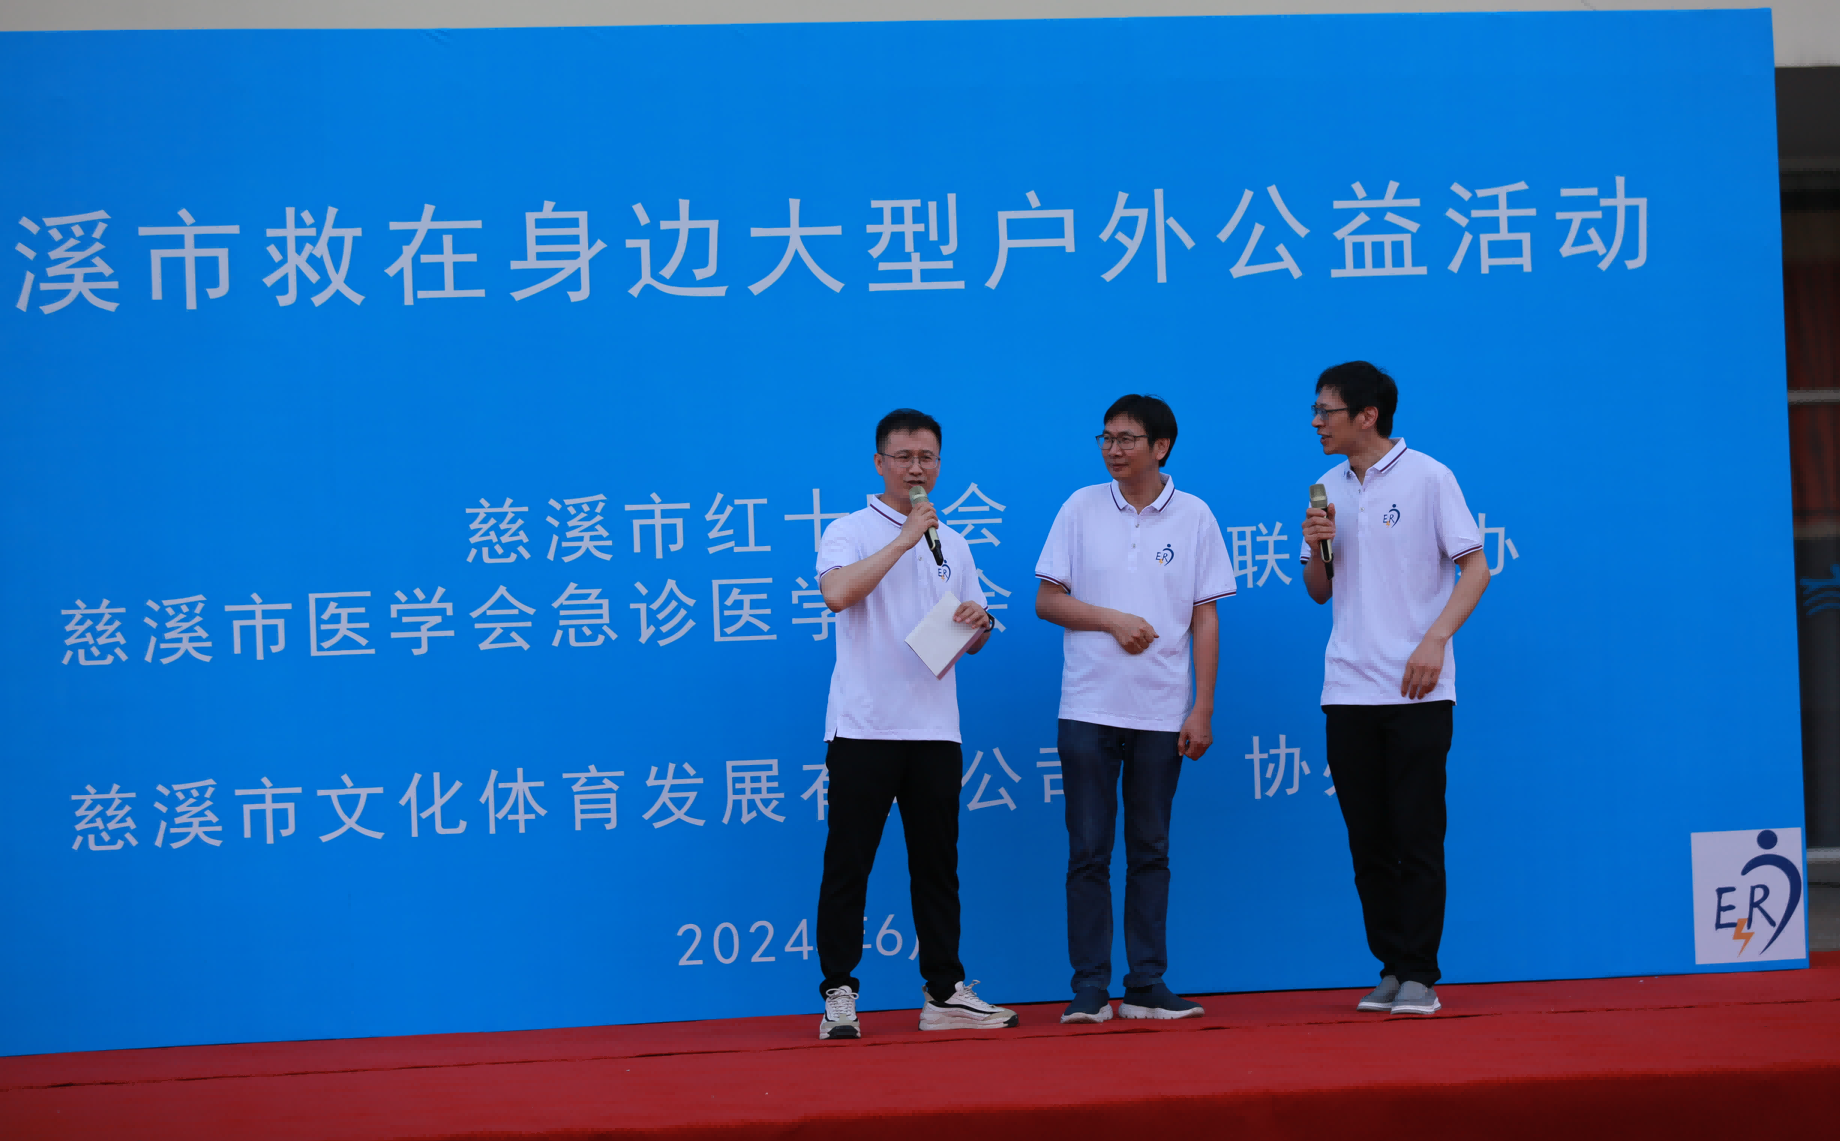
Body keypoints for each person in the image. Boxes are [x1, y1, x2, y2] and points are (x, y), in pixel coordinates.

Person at [813, 408, 1016, 1040]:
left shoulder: (954, 542)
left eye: (926, 457)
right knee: (849, 864)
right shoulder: (848, 530)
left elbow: (967, 638)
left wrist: (978, 624)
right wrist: (904, 538)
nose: (916, 468)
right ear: (880, 463)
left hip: (934, 729)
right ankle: (840, 992)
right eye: (903, 457)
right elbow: (837, 594)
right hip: (864, 727)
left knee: (936, 866)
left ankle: (944, 992)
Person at [1034, 394, 1234, 1024]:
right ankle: (1090, 989)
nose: (1113, 450)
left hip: (1160, 711)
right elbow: (1046, 600)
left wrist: (1201, 708)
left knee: (1150, 849)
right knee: (1088, 852)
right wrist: (1112, 620)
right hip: (1088, 706)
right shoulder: (1080, 506)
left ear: (1161, 446)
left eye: (1126, 439)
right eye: (1106, 438)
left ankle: (1146, 983)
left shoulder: (1195, 515)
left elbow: (1206, 617)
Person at [1299, 361, 1489, 1017]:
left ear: (1367, 415)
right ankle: (1389, 965)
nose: (1316, 422)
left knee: (1417, 835)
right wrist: (1318, 547)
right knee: (1368, 840)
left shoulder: (1429, 477)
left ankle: (1420, 974)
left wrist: (1435, 640)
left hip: (1416, 690)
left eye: (1326, 410)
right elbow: (1319, 590)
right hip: (1347, 687)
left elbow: (1475, 567)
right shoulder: (1326, 487)